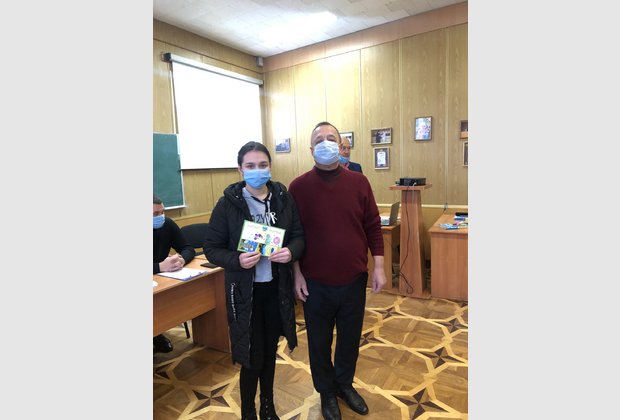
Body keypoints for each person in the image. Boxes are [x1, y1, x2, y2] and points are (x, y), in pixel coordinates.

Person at [288, 122, 386, 420]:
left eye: (331, 138)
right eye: (319, 140)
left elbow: (373, 226)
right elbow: (293, 235)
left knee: (349, 339)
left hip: (354, 279)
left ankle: (344, 385)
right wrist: (296, 274)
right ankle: (326, 392)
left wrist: (379, 267)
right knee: (319, 343)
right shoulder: (298, 187)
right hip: (314, 282)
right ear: (311, 149)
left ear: (341, 145)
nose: (325, 143)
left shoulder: (359, 182)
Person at [203, 141, 305, 420]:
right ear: (240, 169)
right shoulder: (227, 204)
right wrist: (237, 260)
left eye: (262, 165)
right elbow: (211, 248)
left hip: (276, 288)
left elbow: (298, 236)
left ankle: (267, 407)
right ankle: (248, 411)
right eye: (250, 166)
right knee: (251, 355)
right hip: (245, 292)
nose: (257, 170)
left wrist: (291, 252)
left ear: (270, 166)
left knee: (270, 351)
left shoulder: (283, 199)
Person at [153, 194, 196, 353]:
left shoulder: (167, 224)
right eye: (155, 214)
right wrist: (159, 267)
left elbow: (187, 248)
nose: (160, 217)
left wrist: (182, 260)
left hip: (163, 279)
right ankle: (155, 335)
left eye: (162, 212)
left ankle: (157, 333)